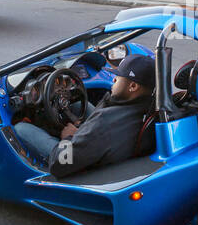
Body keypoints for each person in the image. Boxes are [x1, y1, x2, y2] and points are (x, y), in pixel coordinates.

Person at [11, 55, 156, 178]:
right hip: (116, 148)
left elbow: (61, 163)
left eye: (118, 77)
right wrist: (83, 132)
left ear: (132, 87)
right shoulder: (151, 105)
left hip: (83, 166)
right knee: (77, 105)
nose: (113, 80)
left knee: (21, 128)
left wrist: (68, 138)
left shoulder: (103, 123)